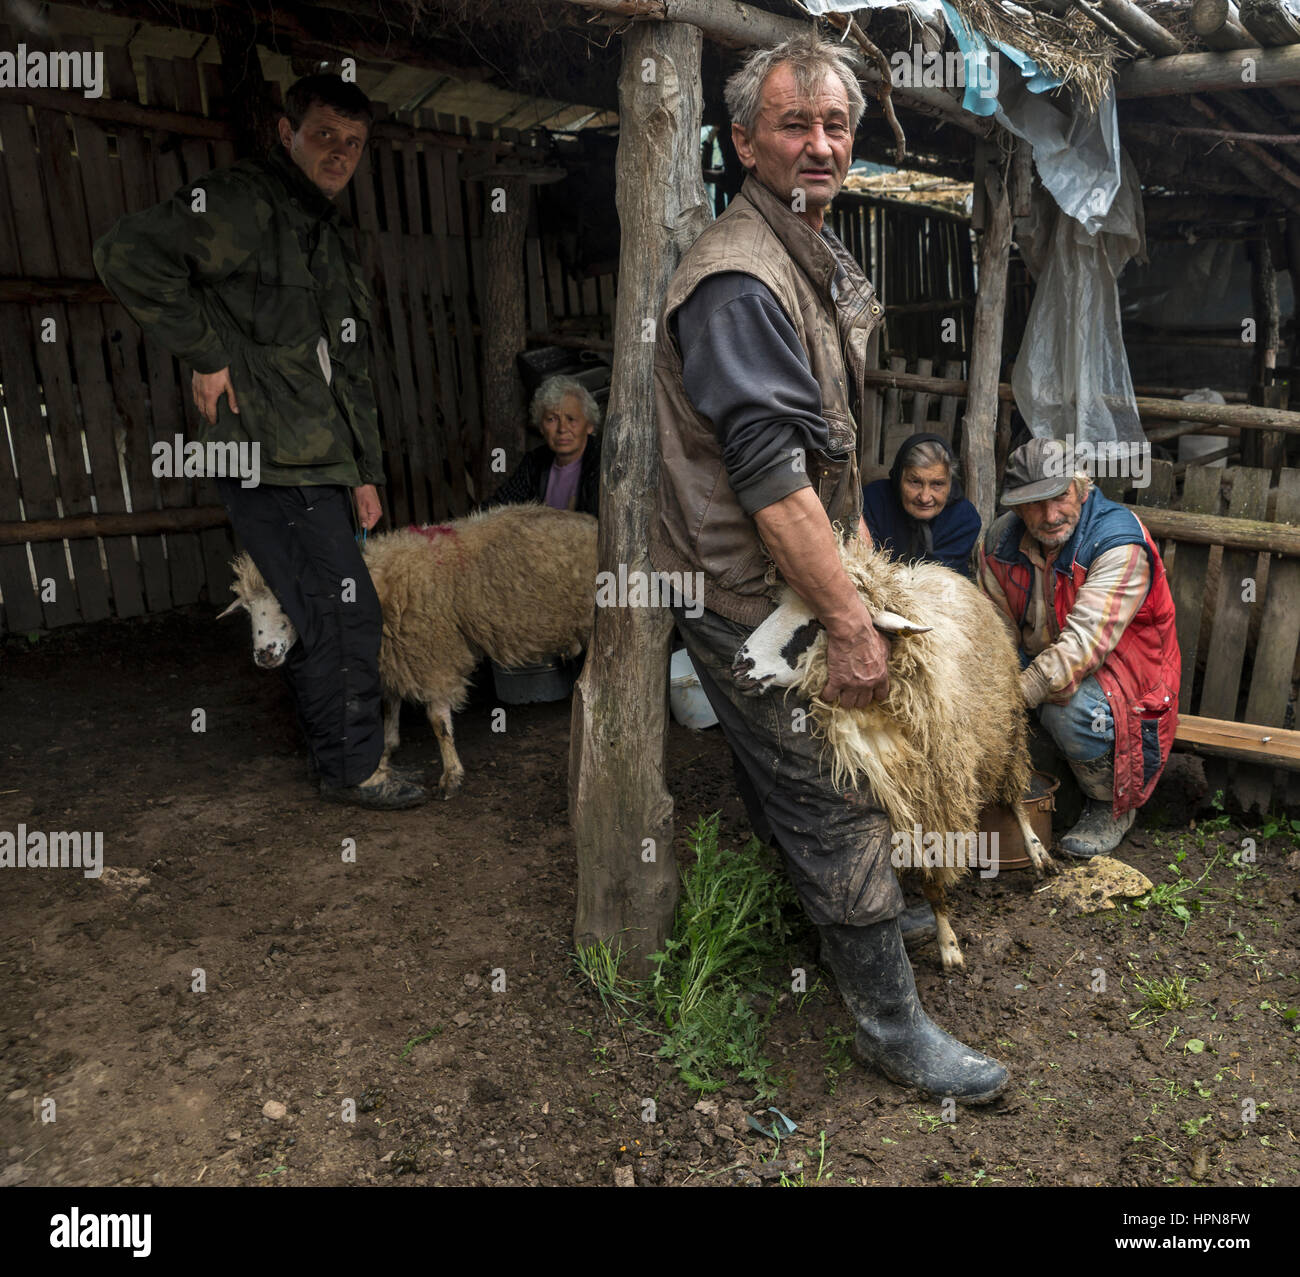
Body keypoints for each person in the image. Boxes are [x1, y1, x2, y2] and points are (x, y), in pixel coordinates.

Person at [650, 33, 1008, 1103]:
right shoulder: (737, 279)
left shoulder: (802, 243)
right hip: (744, 588)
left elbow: (818, 448)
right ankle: (887, 1021)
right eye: (793, 123)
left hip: (790, 567)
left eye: (835, 124)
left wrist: (853, 561)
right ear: (744, 139)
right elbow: (766, 478)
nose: (818, 143)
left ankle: (836, 913)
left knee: (815, 771)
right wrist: (850, 620)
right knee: (835, 783)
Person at [94, 75, 426, 809]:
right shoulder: (247, 201)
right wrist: (207, 351)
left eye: (353, 143)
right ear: (287, 133)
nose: (339, 152)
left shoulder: (321, 229)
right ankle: (352, 770)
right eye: (324, 135)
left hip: (316, 458)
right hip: (267, 454)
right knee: (343, 610)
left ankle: (339, 760)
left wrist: (363, 471)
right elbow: (125, 251)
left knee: (326, 607)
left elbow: (345, 367)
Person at [978, 438, 1180, 856]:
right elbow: (992, 632)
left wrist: (1011, 697)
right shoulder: (999, 541)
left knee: (1068, 711)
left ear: (1082, 487)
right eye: (1035, 504)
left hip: (1127, 683)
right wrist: (988, 688)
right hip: (1040, 665)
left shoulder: (1117, 541)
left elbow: (1081, 648)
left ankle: (1111, 804)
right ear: (1015, 507)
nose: (1050, 516)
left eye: (1060, 496)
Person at [863, 433, 981, 577]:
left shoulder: (964, 519)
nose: (925, 498)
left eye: (937, 484)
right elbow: (863, 566)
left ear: (950, 483)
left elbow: (937, 582)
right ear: (899, 478)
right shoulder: (874, 500)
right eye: (915, 482)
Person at [483, 375, 602, 516]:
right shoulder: (534, 464)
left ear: (589, 425)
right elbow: (498, 505)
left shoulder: (604, 466)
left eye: (571, 419)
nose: (562, 429)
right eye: (552, 419)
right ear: (541, 427)